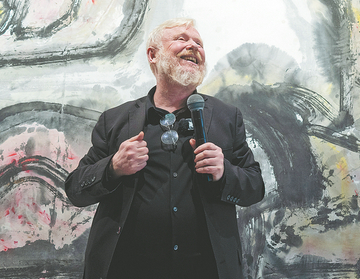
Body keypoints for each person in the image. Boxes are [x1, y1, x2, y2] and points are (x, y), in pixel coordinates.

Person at [65, 17, 265, 279]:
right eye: (182, 39)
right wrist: (113, 167)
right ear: (153, 55)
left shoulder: (227, 117)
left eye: (199, 43)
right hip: (127, 270)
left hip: (206, 271)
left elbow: (254, 188)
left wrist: (224, 172)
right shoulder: (114, 120)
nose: (193, 46)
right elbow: (76, 191)